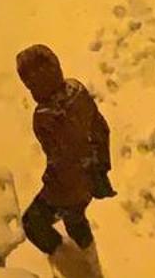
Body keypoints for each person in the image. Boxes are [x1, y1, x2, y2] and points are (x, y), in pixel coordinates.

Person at [16, 44, 113, 260]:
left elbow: (62, 161)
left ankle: (66, 261)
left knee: (33, 224)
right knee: (76, 219)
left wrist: (51, 183)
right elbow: (100, 128)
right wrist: (101, 166)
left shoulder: (46, 116)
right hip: (91, 177)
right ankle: (88, 253)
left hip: (68, 189)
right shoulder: (76, 90)